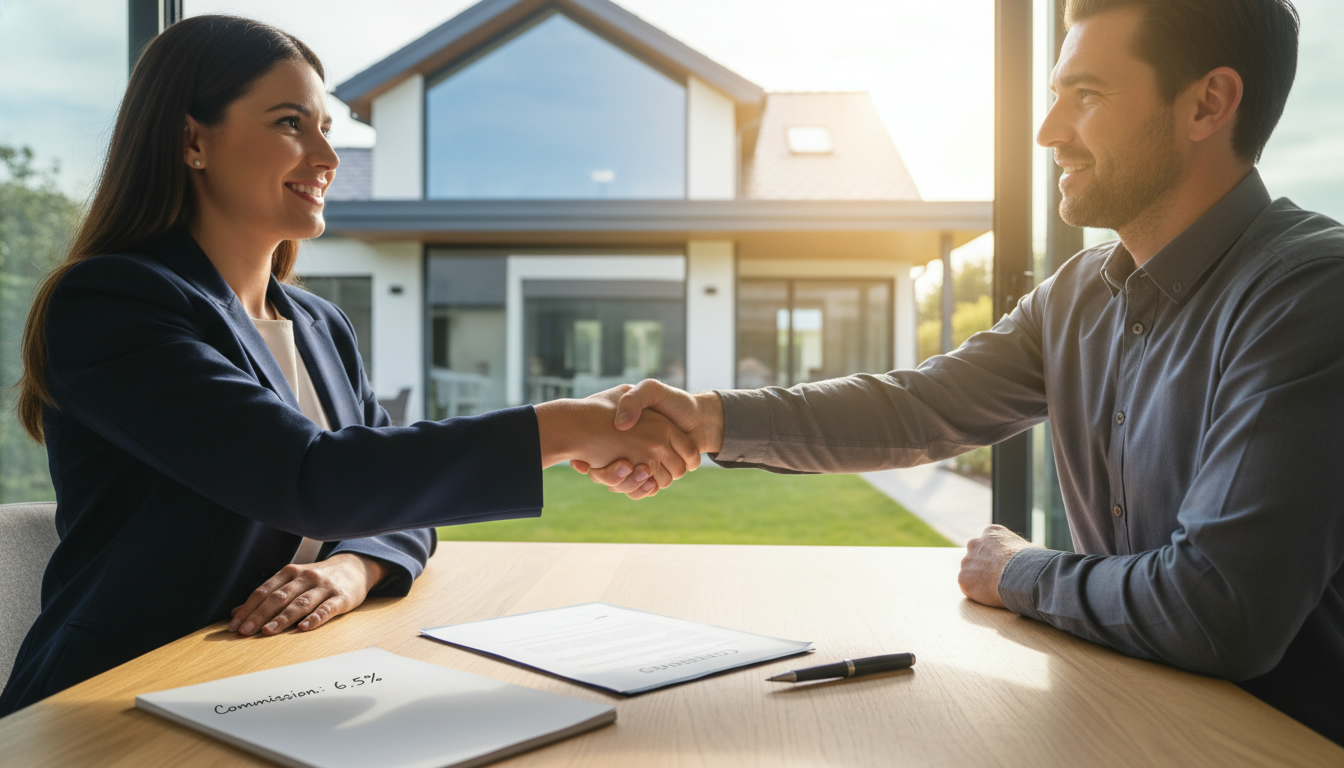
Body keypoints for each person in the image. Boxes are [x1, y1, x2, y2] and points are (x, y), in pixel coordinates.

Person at [579, 0, 1344, 745]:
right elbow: (920, 407)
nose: (1049, 132)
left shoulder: (1310, 295)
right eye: (1054, 95)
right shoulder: (1075, 298)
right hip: (1125, 723)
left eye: (1086, 96)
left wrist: (1019, 572)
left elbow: (1216, 610)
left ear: (1208, 104)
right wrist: (708, 417)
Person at [0, 16, 696, 716]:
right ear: (192, 140)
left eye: (326, 127)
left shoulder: (319, 325)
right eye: (290, 123)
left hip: (278, 681)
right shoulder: (114, 303)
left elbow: (393, 498)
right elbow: (311, 476)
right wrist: (564, 428)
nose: (326, 155)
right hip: (116, 699)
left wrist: (352, 567)